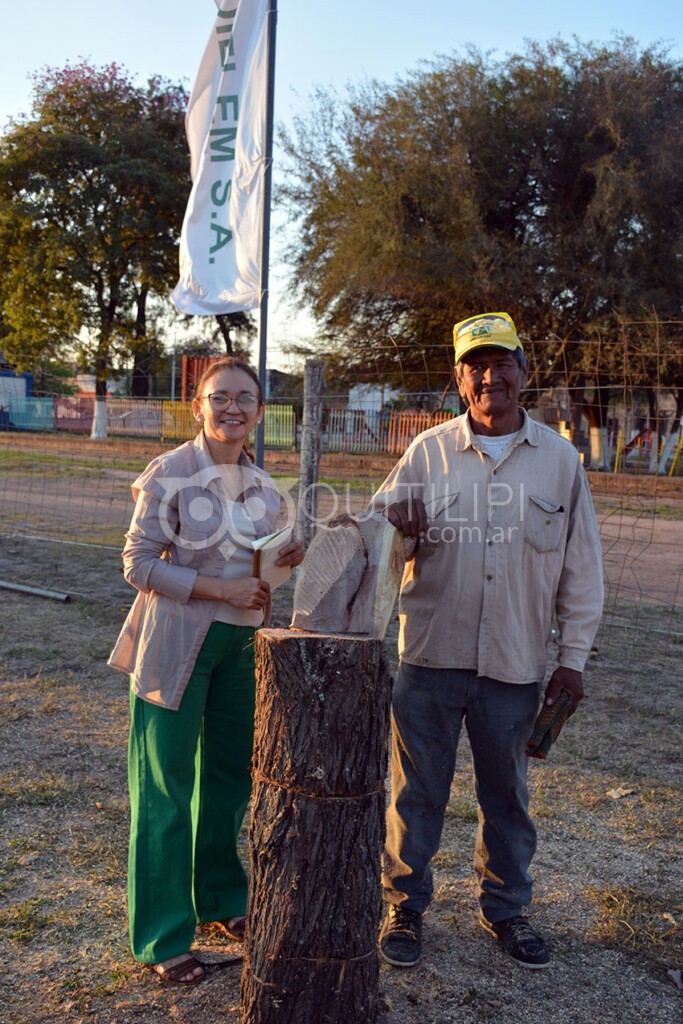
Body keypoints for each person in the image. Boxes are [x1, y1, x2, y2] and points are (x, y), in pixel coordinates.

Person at [372, 312, 604, 970]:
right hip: (429, 660)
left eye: (501, 362)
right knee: (416, 793)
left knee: (505, 796)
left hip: (514, 665)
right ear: (457, 378)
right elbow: (377, 545)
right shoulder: (426, 453)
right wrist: (399, 529)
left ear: (523, 373)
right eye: (474, 365)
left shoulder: (559, 460)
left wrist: (571, 661)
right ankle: (404, 906)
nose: (488, 375)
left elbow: (581, 568)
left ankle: (505, 909)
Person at [108, 357, 304, 984]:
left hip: (240, 651)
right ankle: (163, 937)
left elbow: (261, 573)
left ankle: (221, 899)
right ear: (199, 405)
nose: (233, 409)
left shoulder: (263, 487)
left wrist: (285, 558)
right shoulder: (169, 474)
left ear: (260, 409)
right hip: (173, 647)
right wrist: (221, 591)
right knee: (165, 788)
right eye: (220, 397)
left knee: (227, 781)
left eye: (245, 398)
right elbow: (138, 565)